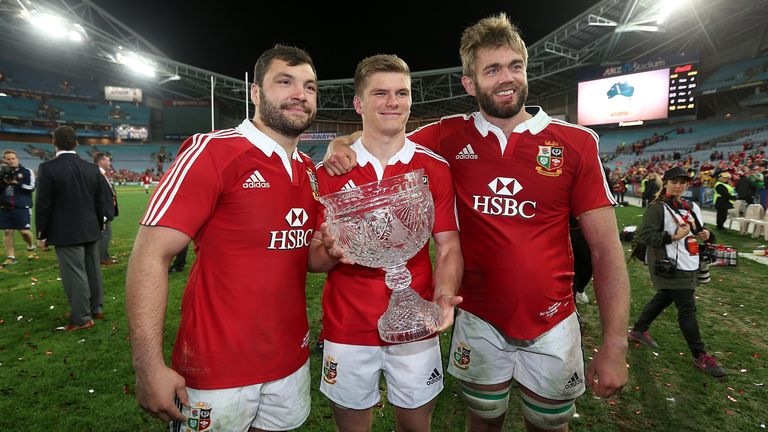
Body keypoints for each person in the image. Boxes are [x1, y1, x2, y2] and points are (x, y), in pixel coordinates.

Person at [323, 13, 629, 432]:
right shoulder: (447, 136)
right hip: (478, 318)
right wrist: (340, 144)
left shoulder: (575, 142)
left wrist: (614, 342)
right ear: (470, 83)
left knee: (549, 424)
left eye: (515, 66)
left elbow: (607, 251)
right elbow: (385, 135)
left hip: (553, 317)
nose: (506, 78)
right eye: (492, 69)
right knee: (484, 419)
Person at [125, 44, 336, 431]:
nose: (300, 95)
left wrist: (332, 253)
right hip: (215, 369)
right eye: (284, 82)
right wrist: (148, 366)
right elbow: (149, 257)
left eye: (309, 87)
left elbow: (307, 258)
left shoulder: (308, 169)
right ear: (255, 93)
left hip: (289, 360)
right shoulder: (211, 152)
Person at [311, 54, 463, 432]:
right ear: (359, 103)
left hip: (416, 324)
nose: (392, 102)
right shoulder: (327, 173)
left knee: (415, 425)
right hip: (348, 327)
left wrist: (443, 296)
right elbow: (311, 260)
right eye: (380, 93)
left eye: (401, 93)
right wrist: (329, 251)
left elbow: (448, 246)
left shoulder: (434, 167)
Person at [628, 167, 726, 377]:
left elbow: (701, 231)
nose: (679, 185)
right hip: (669, 265)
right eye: (674, 182)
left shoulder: (691, 206)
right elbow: (646, 236)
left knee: (664, 297)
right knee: (687, 308)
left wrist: (708, 235)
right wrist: (671, 237)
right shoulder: (658, 208)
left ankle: (638, 330)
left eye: (683, 182)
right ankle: (700, 355)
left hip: (689, 262)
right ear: (666, 183)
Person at [35, 126, 106, 331]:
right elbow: (100, 201)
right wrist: (99, 226)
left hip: (66, 231)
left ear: (53, 142)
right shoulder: (91, 168)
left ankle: (81, 318)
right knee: (92, 271)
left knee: (75, 274)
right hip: (91, 228)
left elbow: (43, 204)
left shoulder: (48, 168)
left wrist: (42, 233)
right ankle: (96, 308)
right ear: (76, 143)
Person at [1, 149, 37, 265]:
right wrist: (4, 182)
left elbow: (31, 187)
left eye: (13, 158)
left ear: (17, 159)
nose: (11, 161)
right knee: (7, 231)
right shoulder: (1, 174)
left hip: (22, 207)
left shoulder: (26, 171)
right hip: (5, 207)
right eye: (8, 159)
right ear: (4, 161)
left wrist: (16, 183)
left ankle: (31, 246)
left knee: (24, 232)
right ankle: (11, 257)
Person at [93, 152, 119, 266]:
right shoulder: (97, 174)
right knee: (105, 234)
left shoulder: (101, 174)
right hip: (102, 212)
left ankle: (102, 256)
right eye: (108, 160)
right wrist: (102, 213)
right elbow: (98, 195)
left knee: (104, 234)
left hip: (104, 210)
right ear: (101, 161)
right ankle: (102, 258)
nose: (110, 163)